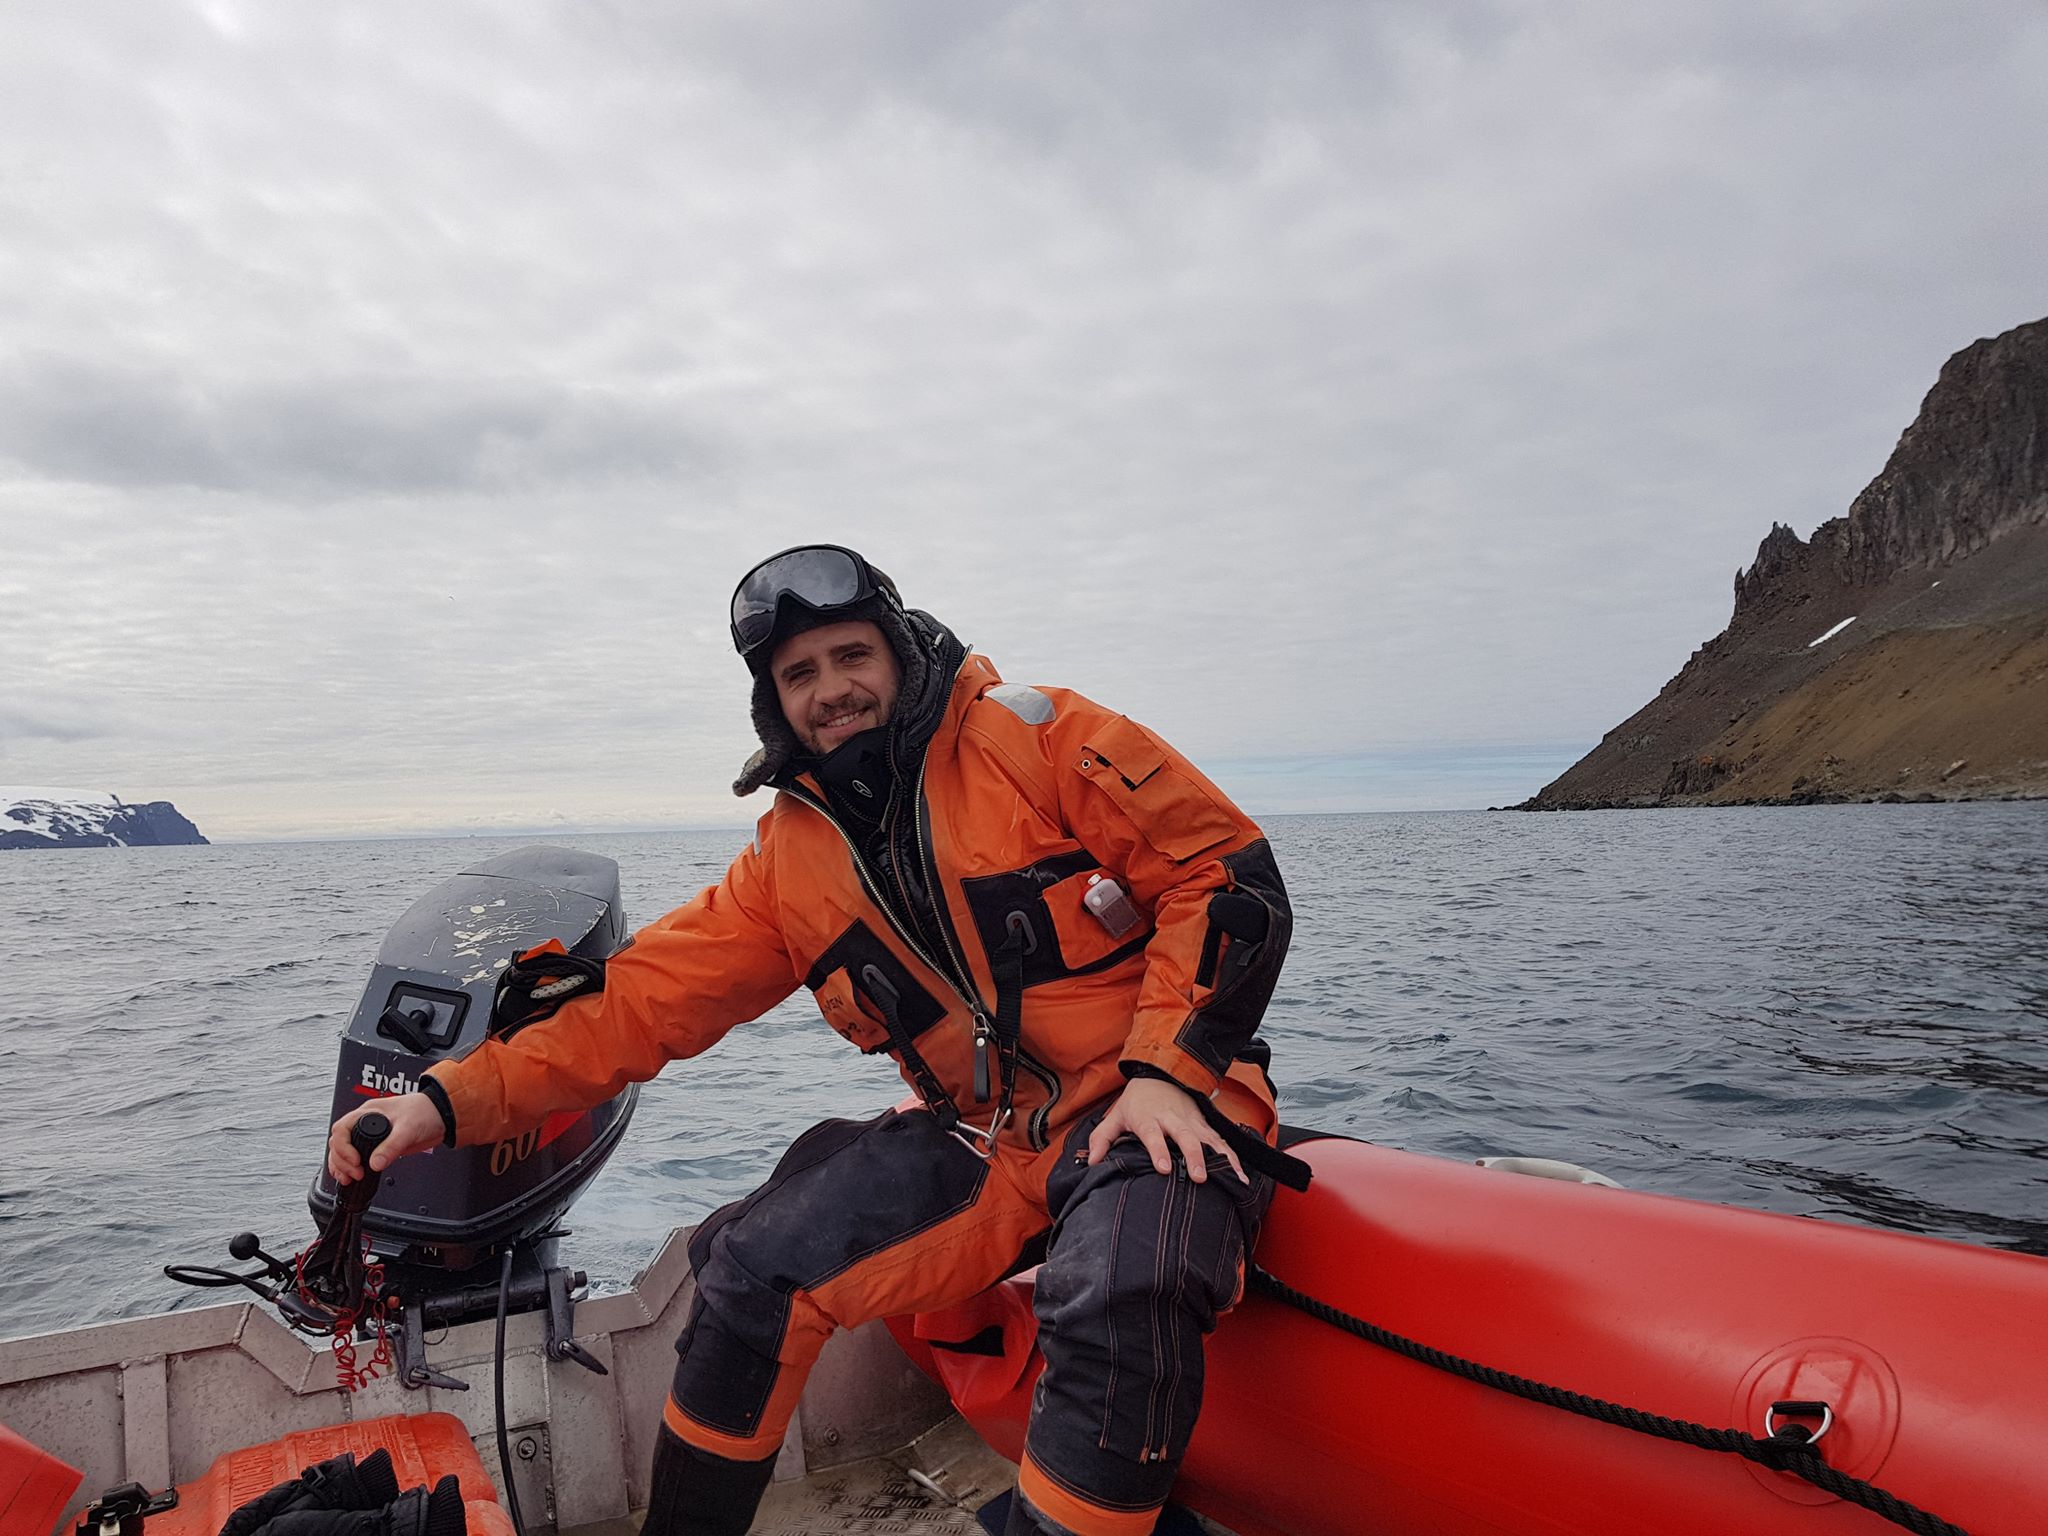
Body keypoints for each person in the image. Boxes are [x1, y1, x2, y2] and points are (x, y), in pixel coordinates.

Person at [328, 545, 1293, 1536]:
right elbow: (639, 999)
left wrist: (1165, 1070)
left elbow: (1221, 874)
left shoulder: (1039, 740)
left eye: (850, 656)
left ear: (899, 653)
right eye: (799, 675)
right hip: (998, 1149)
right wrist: (438, 1102)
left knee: (1122, 1283)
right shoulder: (790, 857)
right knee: (748, 1271)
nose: (832, 690)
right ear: (772, 701)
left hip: (1159, 1106)